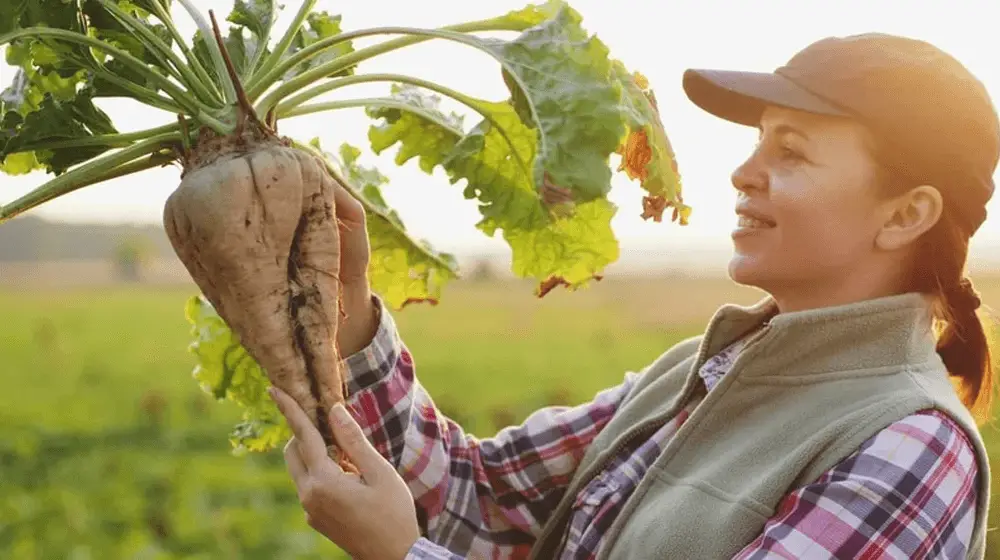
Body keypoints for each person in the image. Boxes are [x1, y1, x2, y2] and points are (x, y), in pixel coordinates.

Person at [269, 32, 998, 559]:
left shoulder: (912, 444)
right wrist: (351, 307)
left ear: (906, 214)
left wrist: (403, 557)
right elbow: (481, 499)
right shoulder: (701, 371)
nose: (744, 172)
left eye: (792, 151)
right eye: (758, 142)